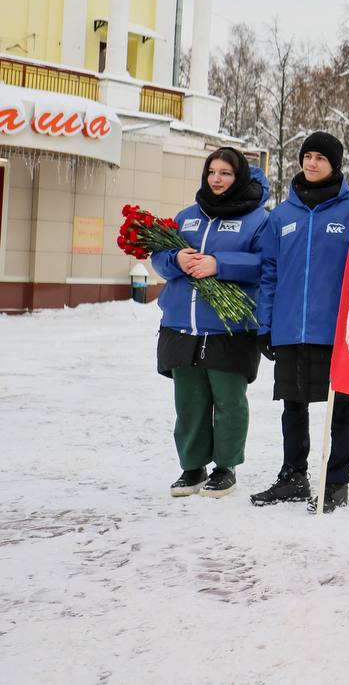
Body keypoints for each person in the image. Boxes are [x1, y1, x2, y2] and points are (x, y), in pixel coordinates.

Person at [250, 132, 349, 513]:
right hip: (290, 329)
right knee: (293, 406)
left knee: (340, 408)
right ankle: (294, 477)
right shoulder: (282, 216)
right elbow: (269, 273)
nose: (311, 163)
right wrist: (265, 325)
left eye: (320, 158)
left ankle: (336, 482)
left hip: (335, 332)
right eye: (306, 156)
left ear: (335, 165)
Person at [151, 147, 269, 498]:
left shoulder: (257, 220)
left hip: (229, 328)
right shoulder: (187, 216)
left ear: (239, 178)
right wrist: (176, 259)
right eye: (212, 172)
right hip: (181, 325)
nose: (217, 179)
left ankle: (225, 466)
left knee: (229, 402)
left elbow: (265, 264)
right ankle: (192, 466)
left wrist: (221, 264)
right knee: (189, 401)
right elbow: (159, 258)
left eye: (226, 173)